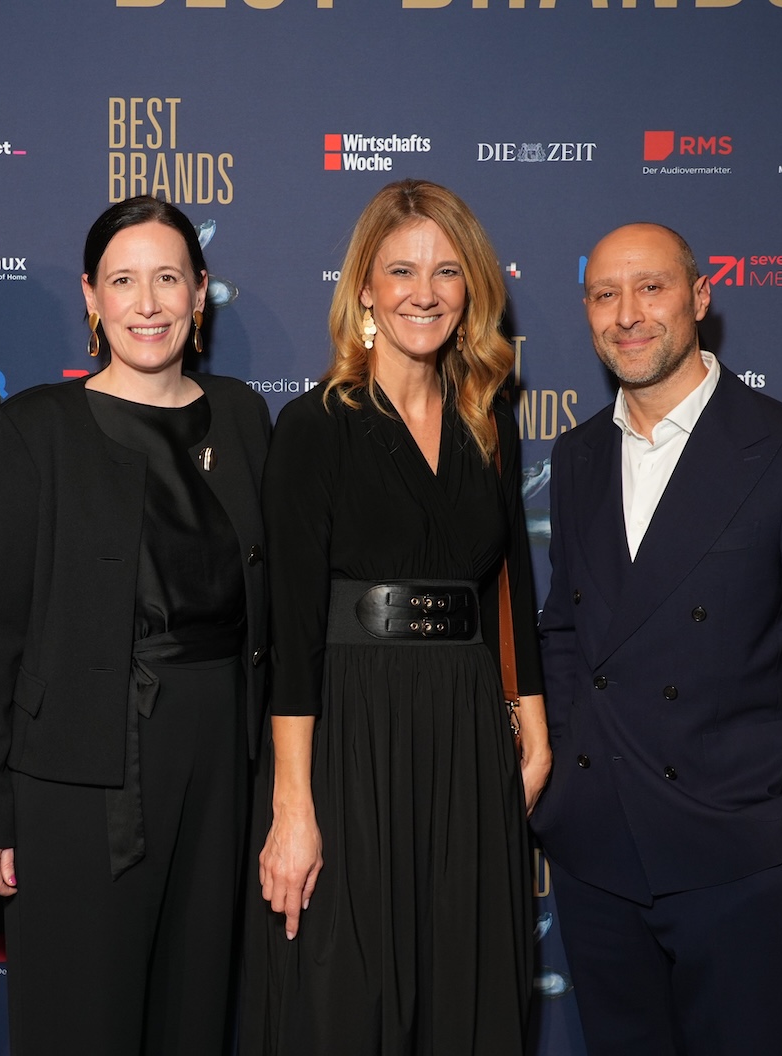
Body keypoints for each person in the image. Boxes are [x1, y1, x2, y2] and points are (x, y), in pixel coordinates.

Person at [531, 222, 782, 1056]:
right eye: (605, 294)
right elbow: (568, 630)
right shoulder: (578, 454)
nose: (628, 313)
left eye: (651, 287)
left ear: (699, 297)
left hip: (739, 863)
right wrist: (564, 791)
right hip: (599, 861)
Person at [0, 196, 271, 1056]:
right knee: (79, 1015)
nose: (148, 303)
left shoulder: (243, 416)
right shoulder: (35, 427)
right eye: (124, 281)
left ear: (200, 292)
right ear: (92, 298)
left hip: (220, 755)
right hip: (77, 769)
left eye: (168, 278)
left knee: (193, 1009)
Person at [242, 179, 550, 1055]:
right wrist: (293, 807)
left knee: (463, 983)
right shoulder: (316, 426)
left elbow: (509, 586)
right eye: (402, 270)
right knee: (347, 994)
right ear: (366, 289)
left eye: (447, 271)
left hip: (465, 732)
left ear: (472, 288)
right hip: (352, 732)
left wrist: (533, 729)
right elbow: (292, 631)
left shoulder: (490, 422)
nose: (425, 291)